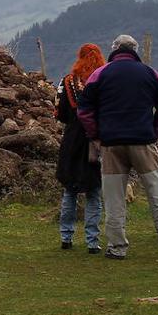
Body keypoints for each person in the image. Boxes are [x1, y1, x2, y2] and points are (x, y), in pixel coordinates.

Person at [77, 34, 158, 261]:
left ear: (114, 49)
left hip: (111, 144)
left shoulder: (100, 74)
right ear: (135, 50)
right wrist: (154, 132)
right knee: (157, 192)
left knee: (113, 197)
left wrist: (96, 135)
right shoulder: (149, 73)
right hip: (142, 141)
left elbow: (84, 110)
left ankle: (116, 246)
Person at [55, 44, 105, 253]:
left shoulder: (67, 82)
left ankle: (66, 236)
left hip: (73, 138)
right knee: (94, 191)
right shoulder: (103, 81)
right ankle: (92, 240)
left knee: (70, 189)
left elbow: (59, 113)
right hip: (96, 139)